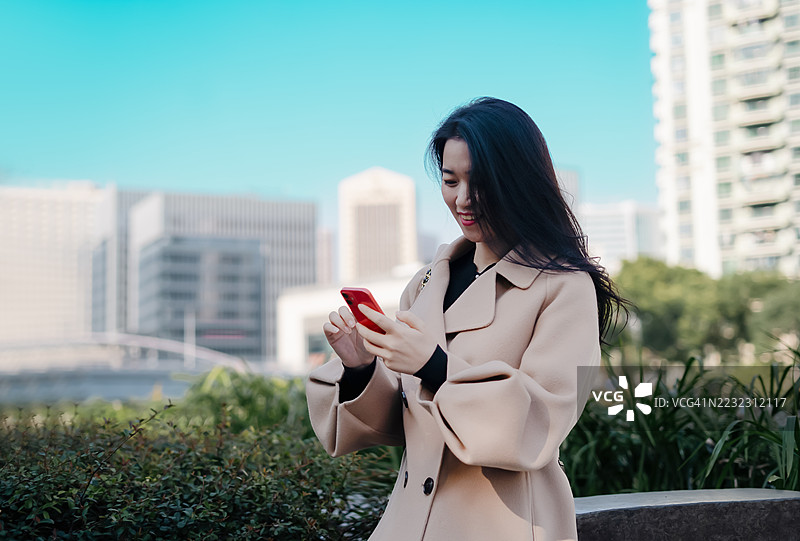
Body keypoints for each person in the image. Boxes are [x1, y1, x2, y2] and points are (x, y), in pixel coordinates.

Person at [306, 97, 627, 541]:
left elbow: (542, 424)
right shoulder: (425, 284)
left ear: (519, 181)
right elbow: (405, 421)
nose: (462, 199)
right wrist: (362, 367)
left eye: (481, 181)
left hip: (505, 525)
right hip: (406, 525)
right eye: (450, 180)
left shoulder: (565, 287)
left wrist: (433, 365)